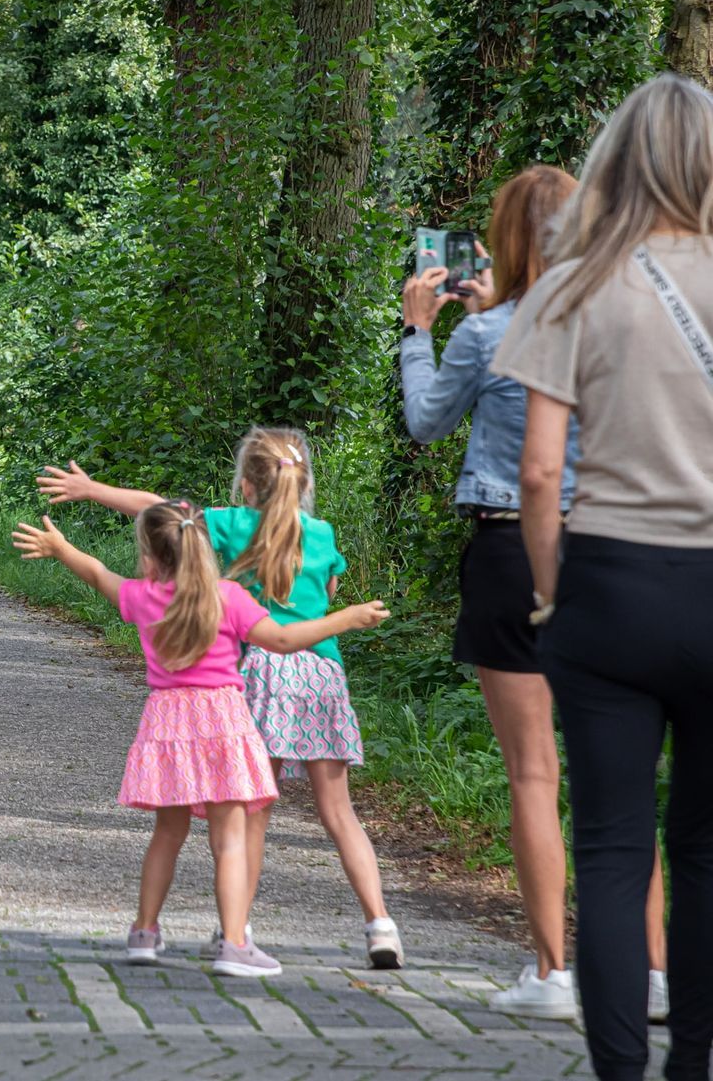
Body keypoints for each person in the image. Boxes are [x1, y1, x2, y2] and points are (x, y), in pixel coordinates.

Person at [402, 164, 667, 1022]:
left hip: (513, 547)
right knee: (622, 775)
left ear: (505, 241)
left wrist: (420, 330)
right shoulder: (627, 322)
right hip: (620, 551)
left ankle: (554, 973)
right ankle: (654, 972)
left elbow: (427, 422)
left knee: (532, 771)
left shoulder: (491, 335)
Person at [495, 72, 713, 1081]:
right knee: (708, 852)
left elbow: (540, 469)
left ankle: (621, 1072)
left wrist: (550, 588)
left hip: (613, 585)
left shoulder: (574, 283)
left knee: (617, 849)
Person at [38, 429, 404, 969]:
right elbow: (324, 596)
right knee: (338, 811)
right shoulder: (320, 534)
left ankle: (231, 929)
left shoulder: (228, 528)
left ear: (247, 487)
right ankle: (380, 926)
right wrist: (339, 617)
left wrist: (93, 491)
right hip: (319, 674)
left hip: (251, 679)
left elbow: (163, 514)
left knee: (249, 814)